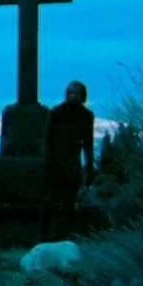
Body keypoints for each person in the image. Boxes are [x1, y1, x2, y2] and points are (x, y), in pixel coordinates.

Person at [41, 80, 95, 241]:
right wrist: (47, 163)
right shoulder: (56, 113)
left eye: (77, 93)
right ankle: (45, 237)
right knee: (51, 202)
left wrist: (89, 166)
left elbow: (88, 143)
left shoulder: (86, 116)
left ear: (83, 96)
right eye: (71, 93)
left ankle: (63, 236)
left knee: (69, 203)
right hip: (55, 163)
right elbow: (47, 140)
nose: (74, 96)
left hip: (72, 164)